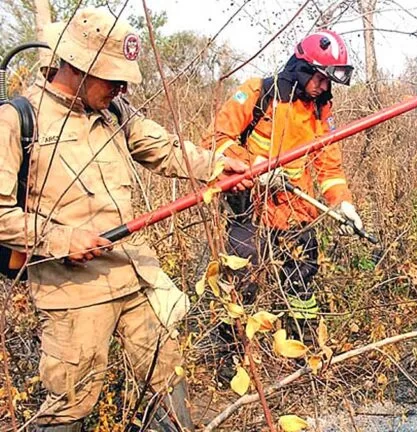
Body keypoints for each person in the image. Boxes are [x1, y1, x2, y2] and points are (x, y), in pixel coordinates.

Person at [0, 8, 253, 431]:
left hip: (134, 274)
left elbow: (168, 150)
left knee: (166, 379)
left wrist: (218, 167)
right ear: (76, 66)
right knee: (71, 404)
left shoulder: (115, 113)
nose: (120, 87)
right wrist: (62, 239)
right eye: (111, 78)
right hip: (72, 291)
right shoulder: (17, 120)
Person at [202, 31, 363, 360]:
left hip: (297, 211)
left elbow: (329, 167)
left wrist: (343, 204)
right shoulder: (259, 93)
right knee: (239, 283)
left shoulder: (321, 110)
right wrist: (256, 167)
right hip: (249, 209)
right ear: (301, 68)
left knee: (302, 282)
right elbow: (214, 141)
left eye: (328, 81)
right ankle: (229, 359)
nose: (323, 87)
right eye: (319, 78)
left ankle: (304, 355)